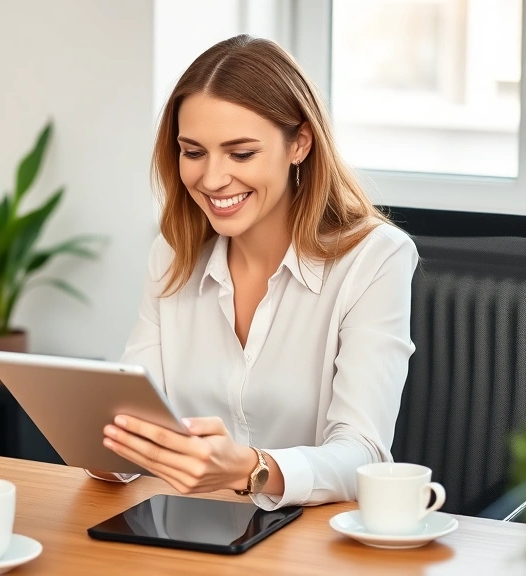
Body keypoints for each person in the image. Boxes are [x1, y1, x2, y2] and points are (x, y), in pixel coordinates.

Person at [94, 35, 419, 511]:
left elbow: (364, 456)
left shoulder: (374, 258)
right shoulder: (173, 253)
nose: (212, 179)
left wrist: (251, 468)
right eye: (193, 151)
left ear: (299, 144)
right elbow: (142, 417)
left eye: (241, 153)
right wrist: (107, 450)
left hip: (312, 547)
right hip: (192, 531)